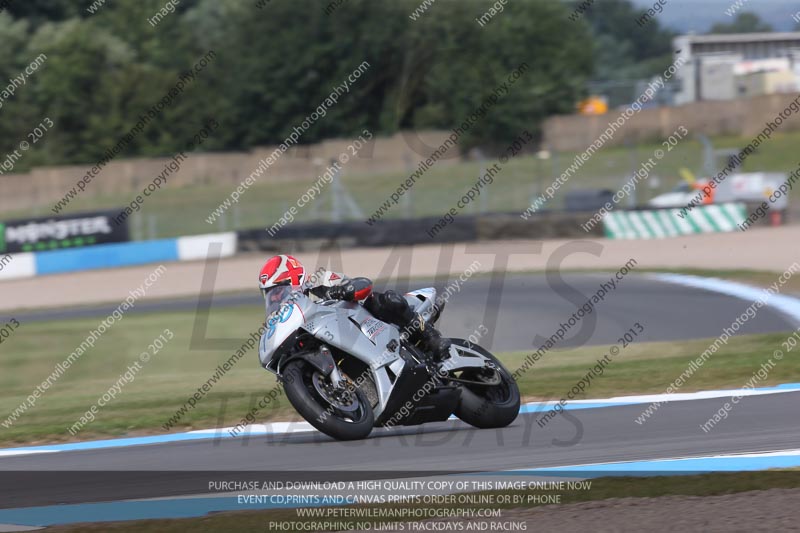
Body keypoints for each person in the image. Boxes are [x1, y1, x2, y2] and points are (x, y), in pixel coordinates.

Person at [258, 254, 451, 361]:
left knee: (386, 299)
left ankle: (431, 338)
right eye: (270, 294)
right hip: (342, 343)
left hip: (366, 322)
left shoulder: (318, 281)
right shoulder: (282, 317)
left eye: (278, 290)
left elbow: (362, 284)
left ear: (294, 280)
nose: (275, 297)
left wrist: (341, 291)